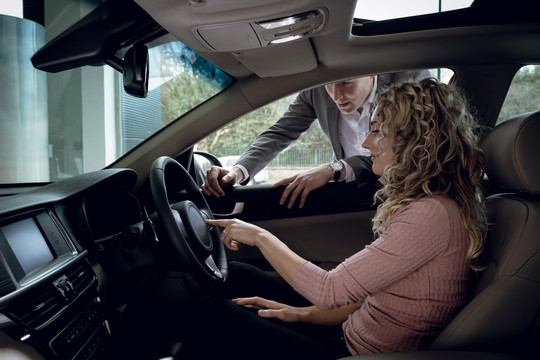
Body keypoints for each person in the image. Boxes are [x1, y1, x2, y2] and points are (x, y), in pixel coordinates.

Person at [183, 78, 487, 359]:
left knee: (212, 313)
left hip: (356, 352)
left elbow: (331, 291)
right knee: (238, 275)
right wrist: (300, 314)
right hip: (348, 332)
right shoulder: (429, 206)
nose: (366, 144)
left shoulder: (429, 215)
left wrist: (259, 236)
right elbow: (365, 296)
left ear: (415, 141)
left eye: (378, 131)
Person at [202, 70, 430, 209]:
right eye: (329, 84)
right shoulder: (317, 91)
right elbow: (281, 132)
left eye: (346, 83)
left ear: (371, 72)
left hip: (410, 192)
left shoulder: (407, 82)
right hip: (352, 192)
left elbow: (413, 150)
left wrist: (336, 168)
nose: (336, 95)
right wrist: (237, 171)